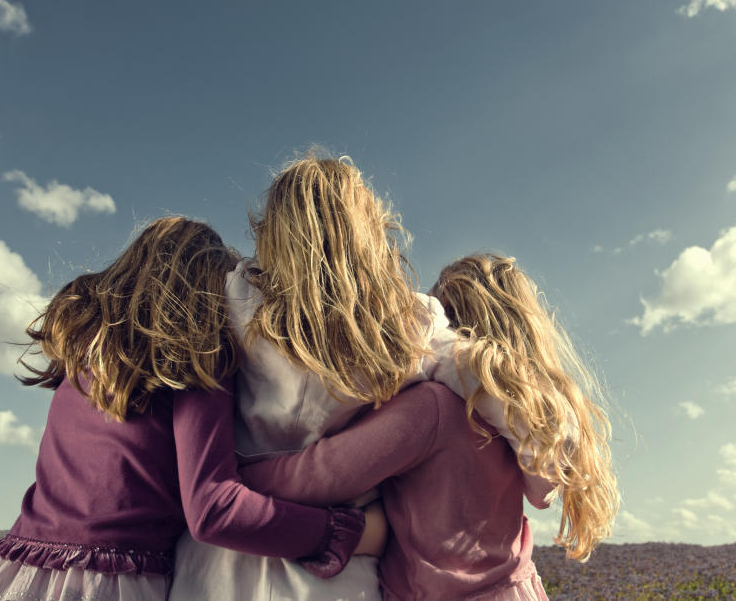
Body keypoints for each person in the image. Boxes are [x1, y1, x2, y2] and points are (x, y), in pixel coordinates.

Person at [171, 154, 572, 601]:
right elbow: (482, 376)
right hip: (338, 560)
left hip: (221, 557)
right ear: (370, 230)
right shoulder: (407, 323)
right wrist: (541, 462)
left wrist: (217, 485)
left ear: (272, 231)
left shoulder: (227, 302)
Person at [0, 217, 377, 601]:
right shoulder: (199, 353)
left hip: (17, 569)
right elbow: (214, 510)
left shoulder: (85, 349)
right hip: (112, 584)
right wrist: (344, 533)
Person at [240, 254, 619, 600]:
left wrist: (228, 472)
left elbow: (317, 474)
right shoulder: (523, 413)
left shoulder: (433, 408)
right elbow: (542, 494)